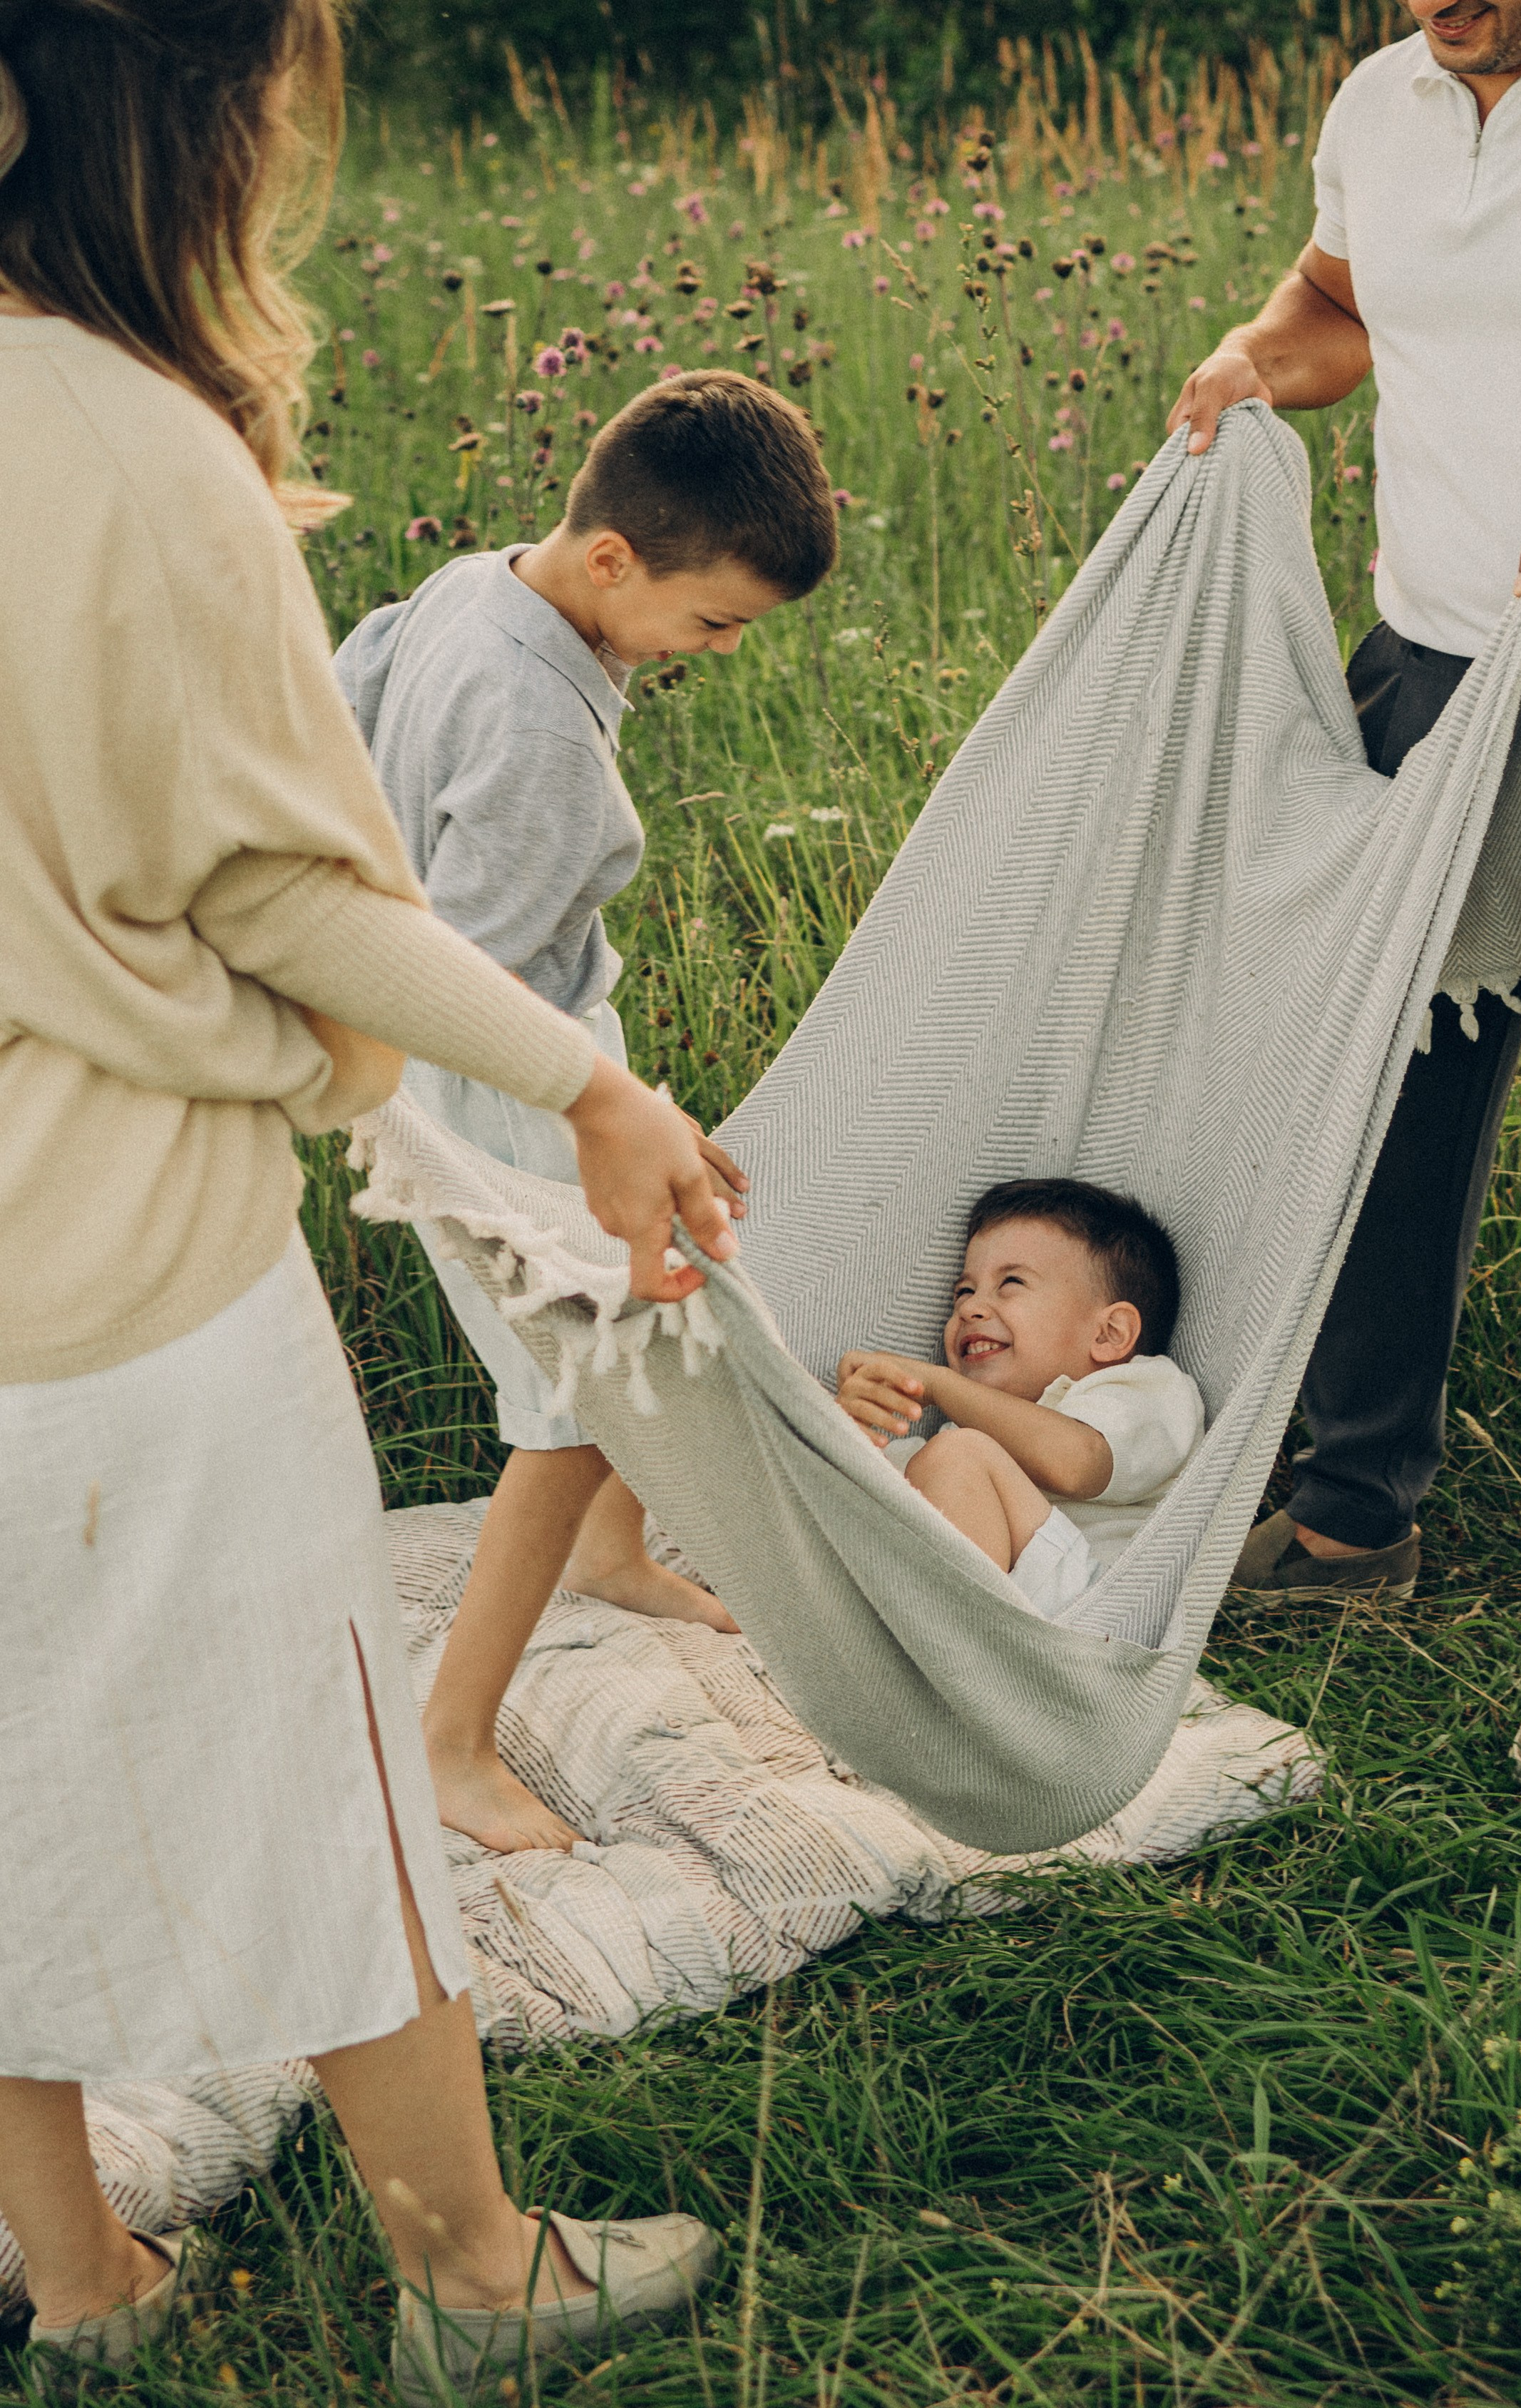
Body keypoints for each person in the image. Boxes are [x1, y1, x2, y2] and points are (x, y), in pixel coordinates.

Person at [0, 4, 725, 2392]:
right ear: (198, 123)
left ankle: (85, 2286)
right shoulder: (126, 444)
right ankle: (471, 2276)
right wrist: (586, 1083)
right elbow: (288, 893)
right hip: (120, 1281)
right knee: (324, 1768)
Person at [1167, 0, 1521, 1764]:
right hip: (1429, 664)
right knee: (1381, 1094)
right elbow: (1336, 308)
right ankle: (1354, 1518)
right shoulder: (1378, 102)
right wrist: (1248, 357)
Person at [334, 372, 839, 1856]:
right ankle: (451, 1741)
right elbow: (474, 984)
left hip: (517, 1050)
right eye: (717, 620)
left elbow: (354, 704)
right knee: (590, 1378)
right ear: (614, 558)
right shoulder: (542, 734)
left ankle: (609, 1553)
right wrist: (613, 1123)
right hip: (506, 1073)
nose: (725, 652)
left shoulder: (471, 587)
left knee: (642, 1321)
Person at [835, 1180, 1204, 1626]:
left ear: (1109, 1334)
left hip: (1090, 1622)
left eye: (1011, 1283)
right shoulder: (956, 1440)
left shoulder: (1146, 1389)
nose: (970, 1309)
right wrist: (845, 1426)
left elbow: (1077, 1463)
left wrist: (939, 1384)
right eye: (964, 1291)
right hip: (986, 1610)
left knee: (958, 1456)